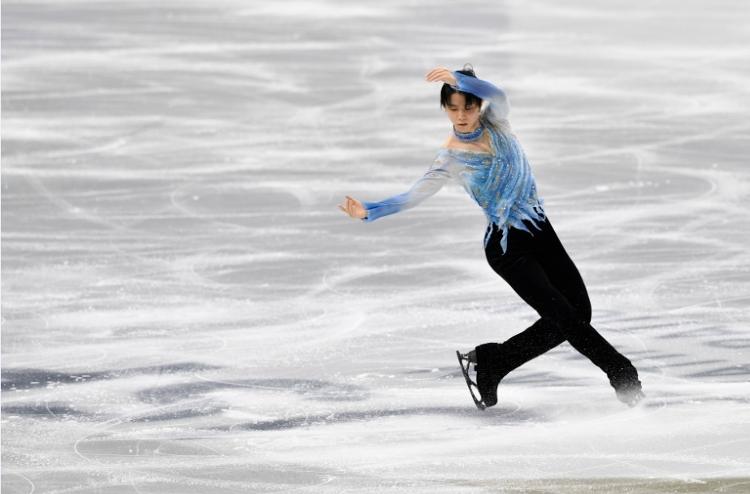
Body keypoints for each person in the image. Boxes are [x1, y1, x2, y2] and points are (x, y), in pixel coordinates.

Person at [338, 64, 644, 409]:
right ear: (444, 109)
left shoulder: (498, 123)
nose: (461, 114)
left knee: (578, 314)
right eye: (453, 107)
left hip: (541, 233)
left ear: (478, 105)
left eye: (468, 105)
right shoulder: (450, 158)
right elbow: (412, 196)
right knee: (567, 319)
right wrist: (369, 211)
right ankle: (621, 372)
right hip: (508, 249)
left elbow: (497, 94)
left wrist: (460, 80)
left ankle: (494, 362)